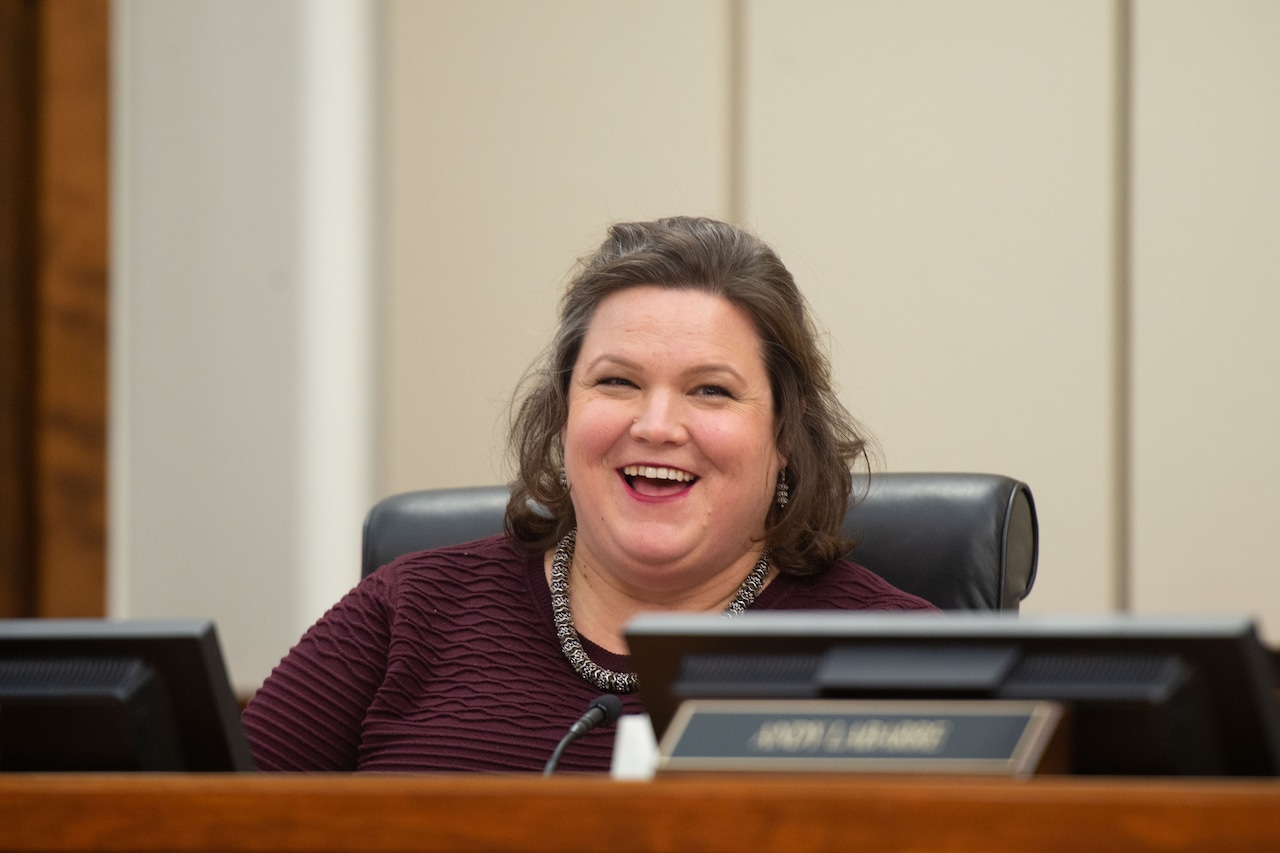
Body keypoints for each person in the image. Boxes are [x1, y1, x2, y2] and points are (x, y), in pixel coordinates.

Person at [242, 216, 937, 773]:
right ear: (564, 411)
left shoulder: (897, 657)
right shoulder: (409, 612)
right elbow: (198, 820)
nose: (656, 426)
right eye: (616, 381)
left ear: (786, 432)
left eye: (711, 390)